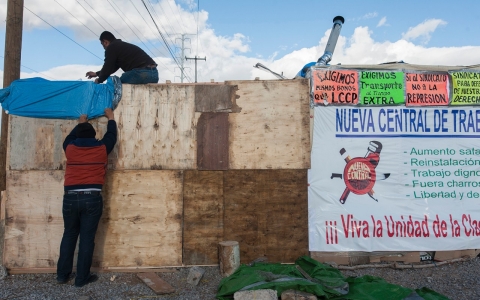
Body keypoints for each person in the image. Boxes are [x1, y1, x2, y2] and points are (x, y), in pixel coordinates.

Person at [56, 108, 117, 287]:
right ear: (93, 136)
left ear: (78, 136)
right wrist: (111, 118)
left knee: (69, 235)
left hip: (70, 198)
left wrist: (81, 123)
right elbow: (111, 135)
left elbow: (69, 137)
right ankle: (81, 279)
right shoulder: (101, 149)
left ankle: (62, 275)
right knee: (86, 239)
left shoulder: (70, 148)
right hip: (92, 198)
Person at [86, 31, 159, 84]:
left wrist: (99, 80)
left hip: (140, 74)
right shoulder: (121, 47)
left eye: (102, 45)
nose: (104, 48)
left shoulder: (112, 47)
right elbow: (112, 68)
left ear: (105, 42)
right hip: (154, 74)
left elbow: (108, 66)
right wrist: (96, 74)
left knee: (116, 83)